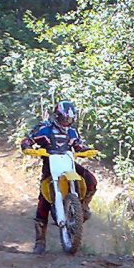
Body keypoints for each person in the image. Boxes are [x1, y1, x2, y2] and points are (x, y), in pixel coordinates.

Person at [20, 100, 97, 254]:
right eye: (64, 119)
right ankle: (40, 241)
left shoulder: (72, 132)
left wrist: (87, 150)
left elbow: (78, 145)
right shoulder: (45, 129)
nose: (66, 122)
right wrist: (28, 148)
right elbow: (28, 139)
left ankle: (82, 207)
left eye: (69, 120)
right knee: (44, 199)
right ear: (57, 115)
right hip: (51, 165)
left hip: (68, 163)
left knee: (91, 180)